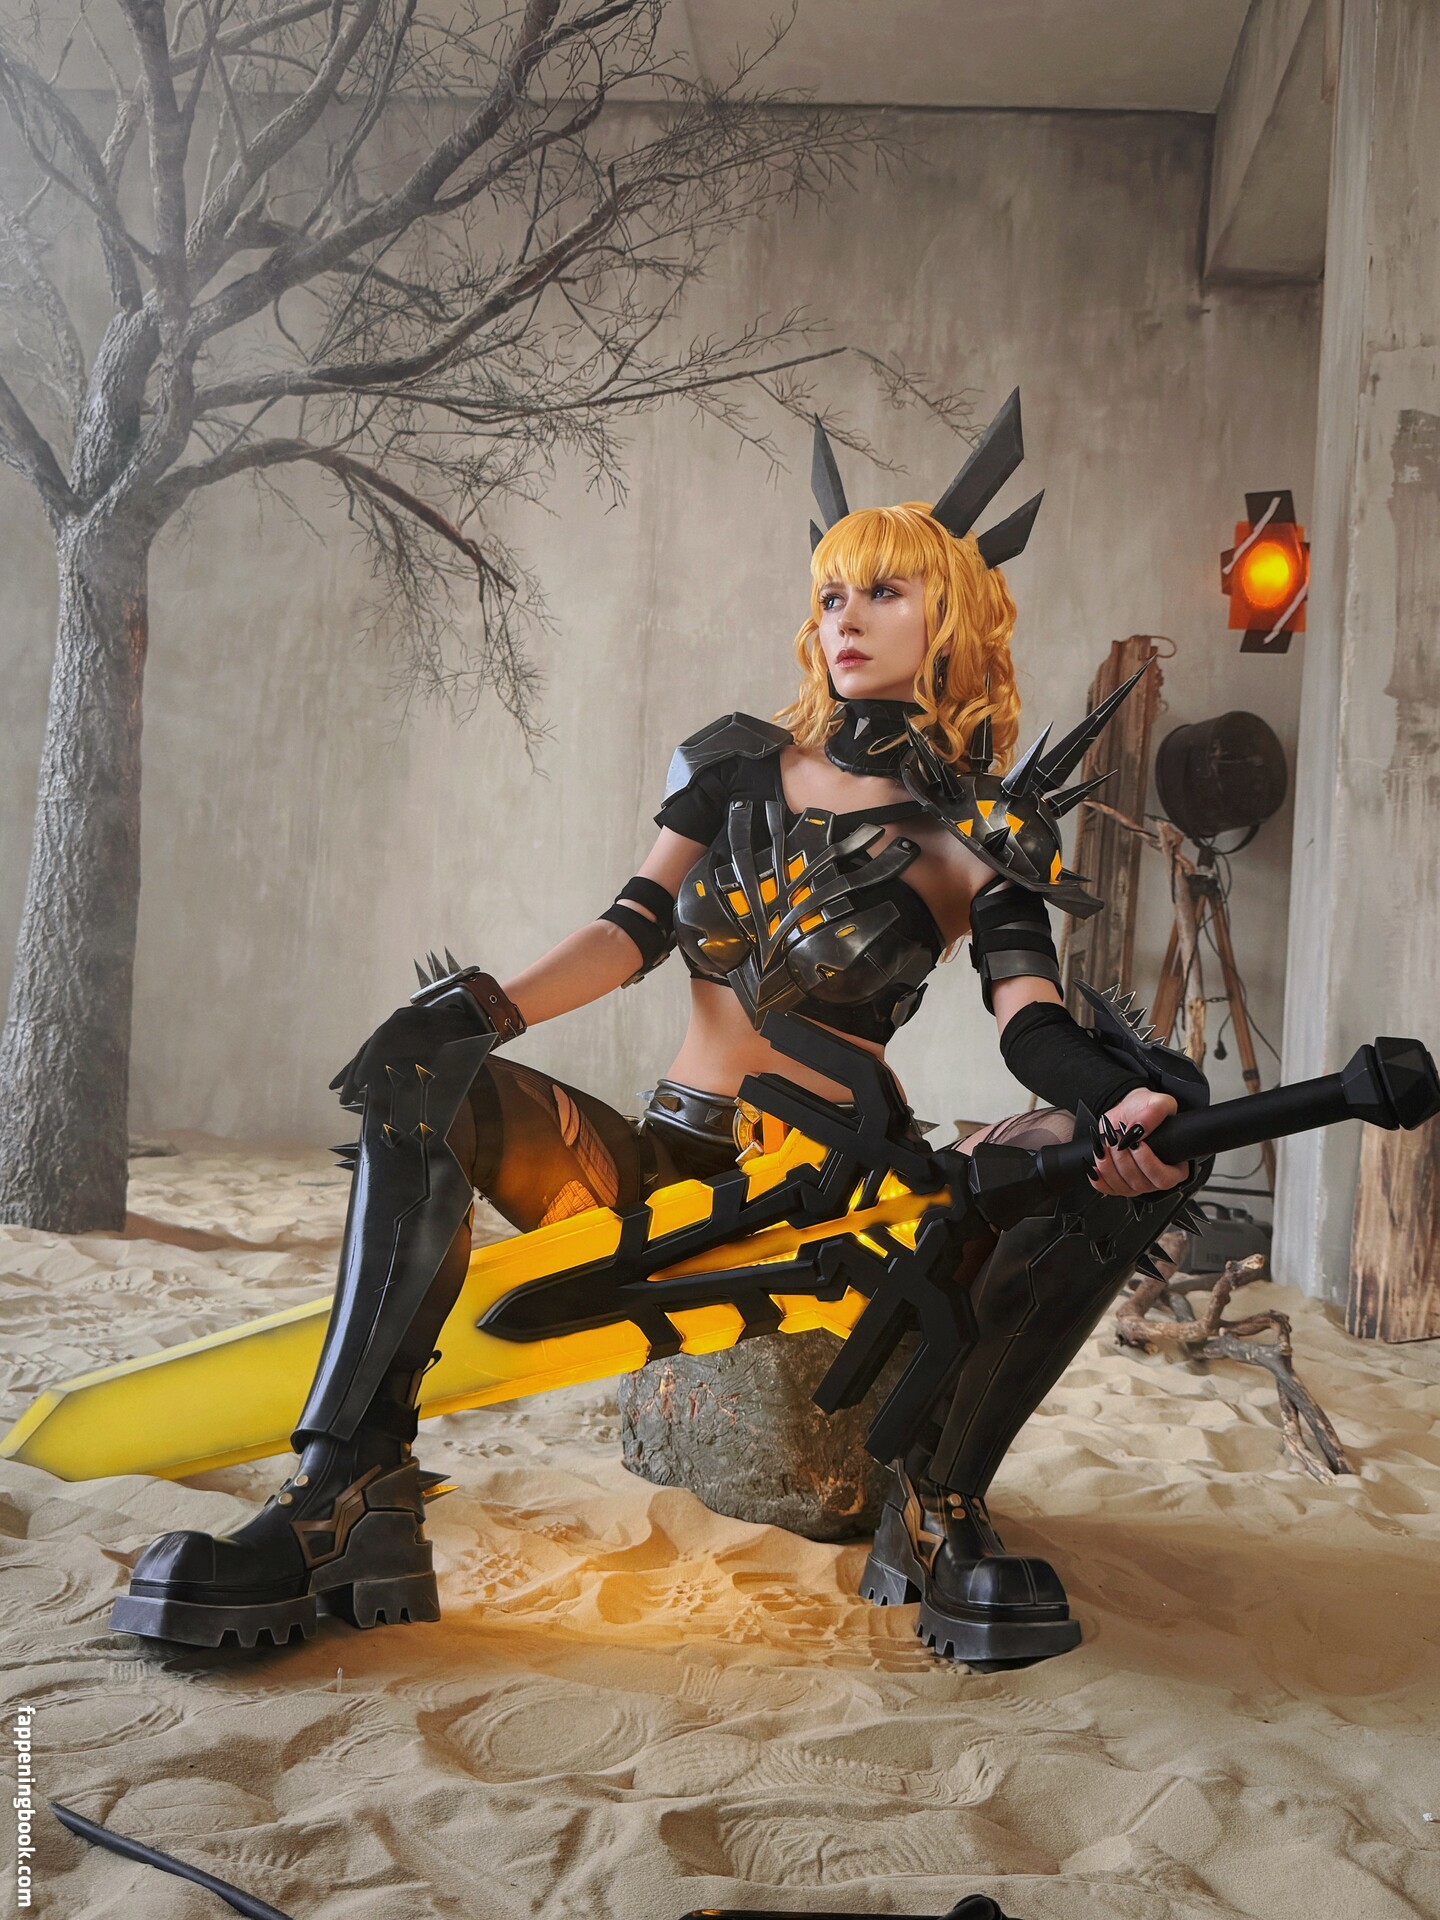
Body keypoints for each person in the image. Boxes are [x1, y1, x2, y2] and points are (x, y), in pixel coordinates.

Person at [113, 393, 1205, 1666]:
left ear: (953, 615)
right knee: (427, 1080)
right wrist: (476, 1010)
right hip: (667, 1170)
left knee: (1109, 1155)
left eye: (882, 593)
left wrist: (1119, 1103)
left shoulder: (982, 837)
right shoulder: (733, 767)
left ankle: (939, 1505)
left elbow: (1029, 1023)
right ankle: (346, 1501)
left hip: (834, 1206)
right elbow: (628, 931)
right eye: (830, 596)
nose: (843, 619)